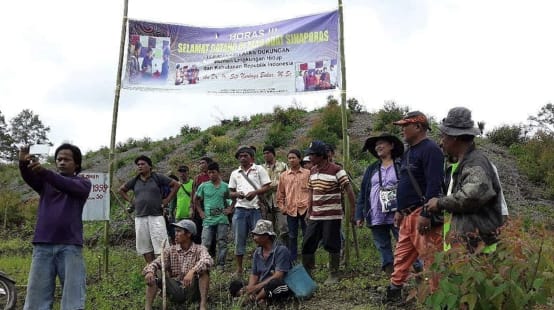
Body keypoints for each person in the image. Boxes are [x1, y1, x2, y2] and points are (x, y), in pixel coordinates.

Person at [19, 143, 92, 310]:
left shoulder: (83, 184)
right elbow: (29, 177)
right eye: (58, 159)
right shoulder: (46, 183)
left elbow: (64, 184)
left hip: (70, 246)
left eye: (66, 159)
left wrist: (44, 172)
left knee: (73, 298)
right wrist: (23, 162)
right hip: (42, 246)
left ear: (77, 164)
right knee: (36, 299)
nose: (61, 162)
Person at [385, 111, 445, 301]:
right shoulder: (409, 152)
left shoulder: (431, 149)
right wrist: (399, 211)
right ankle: (394, 292)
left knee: (431, 259)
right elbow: (405, 183)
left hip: (421, 213)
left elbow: (434, 184)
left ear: (418, 127)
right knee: (401, 256)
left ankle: (438, 299)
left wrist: (426, 213)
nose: (402, 130)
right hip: (407, 215)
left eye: (405, 126)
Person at [425, 107, 503, 253]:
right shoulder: (461, 163)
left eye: (443, 136)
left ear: (454, 138)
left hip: (478, 251)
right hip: (464, 247)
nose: (441, 142)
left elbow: (472, 196)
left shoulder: (475, 163)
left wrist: (440, 203)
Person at [301, 140, 357, 284]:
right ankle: (308, 271)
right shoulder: (312, 171)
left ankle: (334, 273)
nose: (310, 158)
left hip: (331, 215)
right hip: (315, 214)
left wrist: (353, 210)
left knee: (331, 242)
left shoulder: (337, 170)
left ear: (321, 156)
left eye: (312, 155)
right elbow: (312, 191)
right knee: (308, 242)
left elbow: (349, 190)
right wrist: (309, 210)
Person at [355, 133, 404, 275]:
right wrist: (359, 214)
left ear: (392, 146)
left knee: (406, 243)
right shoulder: (372, 169)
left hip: (399, 213)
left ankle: (419, 275)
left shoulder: (401, 164)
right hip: (376, 214)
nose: (378, 146)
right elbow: (363, 192)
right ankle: (392, 277)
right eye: (376, 145)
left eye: (382, 143)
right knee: (382, 246)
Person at [118, 155, 180, 263]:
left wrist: (167, 200)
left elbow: (176, 185)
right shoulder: (135, 180)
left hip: (156, 216)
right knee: (145, 246)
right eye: (138, 165)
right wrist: (131, 201)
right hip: (140, 217)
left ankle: (164, 271)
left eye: (143, 164)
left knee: (161, 244)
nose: (140, 166)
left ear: (150, 166)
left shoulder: (157, 177)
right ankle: (151, 270)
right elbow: (121, 190)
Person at [143, 219, 212, 310]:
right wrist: (150, 271)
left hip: (193, 289)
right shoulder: (170, 250)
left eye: (179, 231)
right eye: (175, 231)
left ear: (189, 234)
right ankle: (148, 308)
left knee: (204, 271)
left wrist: (192, 271)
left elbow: (207, 260)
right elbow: (157, 262)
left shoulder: (200, 249)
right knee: (154, 273)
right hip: (175, 289)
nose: (176, 234)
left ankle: (203, 305)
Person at [228, 145, 271, 276]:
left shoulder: (259, 169)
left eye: (245, 155)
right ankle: (239, 269)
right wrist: (237, 195)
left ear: (251, 157)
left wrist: (255, 192)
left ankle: (262, 266)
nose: (242, 158)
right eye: (240, 156)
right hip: (240, 209)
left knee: (261, 238)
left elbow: (267, 186)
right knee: (238, 239)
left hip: (256, 208)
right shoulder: (235, 173)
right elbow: (230, 192)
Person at [229, 220, 292, 304]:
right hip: (262, 283)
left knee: (274, 284)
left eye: (256, 235)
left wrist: (256, 288)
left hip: (279, 284)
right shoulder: (257, 252)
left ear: (266, 236)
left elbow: (279, 275)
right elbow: (254, 274)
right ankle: (260, 297)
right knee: (235, 285)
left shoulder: (281, 250)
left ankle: (254, 300)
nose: (254, 237)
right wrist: (251, 288)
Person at [194, 162, 233, 270]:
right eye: (209, 173)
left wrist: (230, 208)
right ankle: (204, 263)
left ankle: (221, 264)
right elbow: (196, 199)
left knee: (222, 242)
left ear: (218, 172)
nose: (211, 175)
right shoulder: (204, 186)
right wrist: (200, 212)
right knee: (205, 242)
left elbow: (233, 197)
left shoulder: (225, 186)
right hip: (208, 219)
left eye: (213, 172)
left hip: (222, 219)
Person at [276, 149, 310, 261]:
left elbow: (312, 191)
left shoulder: (307, 173)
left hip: (305, 209)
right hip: (291, 209)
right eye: (289, 158)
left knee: (307, 235)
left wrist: (311, 207)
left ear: (299, 159)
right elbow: (280, 194)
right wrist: (282, 207)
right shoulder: (284, 176)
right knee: (292, 236)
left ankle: (307, 258)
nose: (291, 160)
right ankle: (293, 259)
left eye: (294, 157)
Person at [262, 145, 289, 243]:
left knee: (284, 227)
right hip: (266, 202)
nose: (266, 155)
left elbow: (288, 181)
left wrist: (273, 187)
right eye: (264, 153)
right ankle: (272, 251)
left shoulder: (283, 165)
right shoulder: (261, 168)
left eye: (268, 153)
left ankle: (286, 251)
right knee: (269, 229)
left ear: (273, 154)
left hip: (281, 201)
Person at [192, 156, 213, 245]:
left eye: (203, 163)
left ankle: (211, 253)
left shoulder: (213, 176)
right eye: (200, 163)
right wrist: (192, 208)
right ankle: (198, 252)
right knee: (198, 230)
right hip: (199, 206)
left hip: (211, 206)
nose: (201, 165)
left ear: (208, 164)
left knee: (211, 230)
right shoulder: (197, 178)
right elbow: (193, 193)